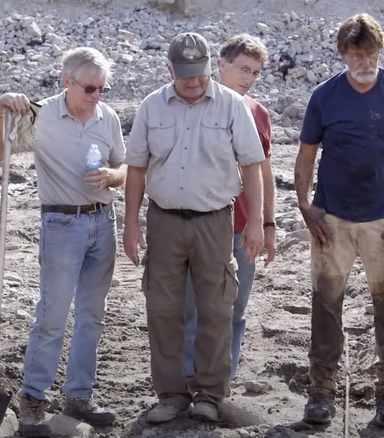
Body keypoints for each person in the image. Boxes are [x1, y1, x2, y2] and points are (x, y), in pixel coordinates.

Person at [0, 47, 126, 437]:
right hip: (62, 222)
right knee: (53, 315)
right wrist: (0, 112)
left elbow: (125, 166)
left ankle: (78, 396)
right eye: (90, 87)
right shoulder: (39, 116)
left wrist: (113, 177)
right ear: (67, 81)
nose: (96, 94)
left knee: (92, 315)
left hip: (103, 219)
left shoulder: (107, 116)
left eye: (102, 88)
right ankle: (32, 399)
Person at [123, 32, 265, 425]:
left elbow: (251, 166)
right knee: (163, 309)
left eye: (200, 74)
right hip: (164, 222)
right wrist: (131, 225)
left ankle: (210, 394)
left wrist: (255, 222)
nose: (194, 82)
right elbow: (136, 168)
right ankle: (170, 395)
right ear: (169, 71)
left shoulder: (232, 105)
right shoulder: (152, 107)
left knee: (217, 309)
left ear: (210, 68)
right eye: (185, 75)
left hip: (215, 223)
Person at [294, 13, 384, 430]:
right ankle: (321, 393)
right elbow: (305, 157)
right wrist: (305, 206)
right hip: (331, 220)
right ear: (342, 54)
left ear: (380, 51)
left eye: (370, 53)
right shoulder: (325, 95)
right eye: (355, 54)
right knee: (326, 308)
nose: (364, 61)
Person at [182, 33, 276, 381]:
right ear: (220, 65)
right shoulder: (195, 104)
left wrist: (267, 225)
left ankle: (223, 382)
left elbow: (265, 175)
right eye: (243, 69)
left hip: (242, 228)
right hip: (200, 223)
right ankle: (188, 381)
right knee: (192, 307)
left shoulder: (259, 114)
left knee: (235, 308)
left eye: (255, 72)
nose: (248, 78)